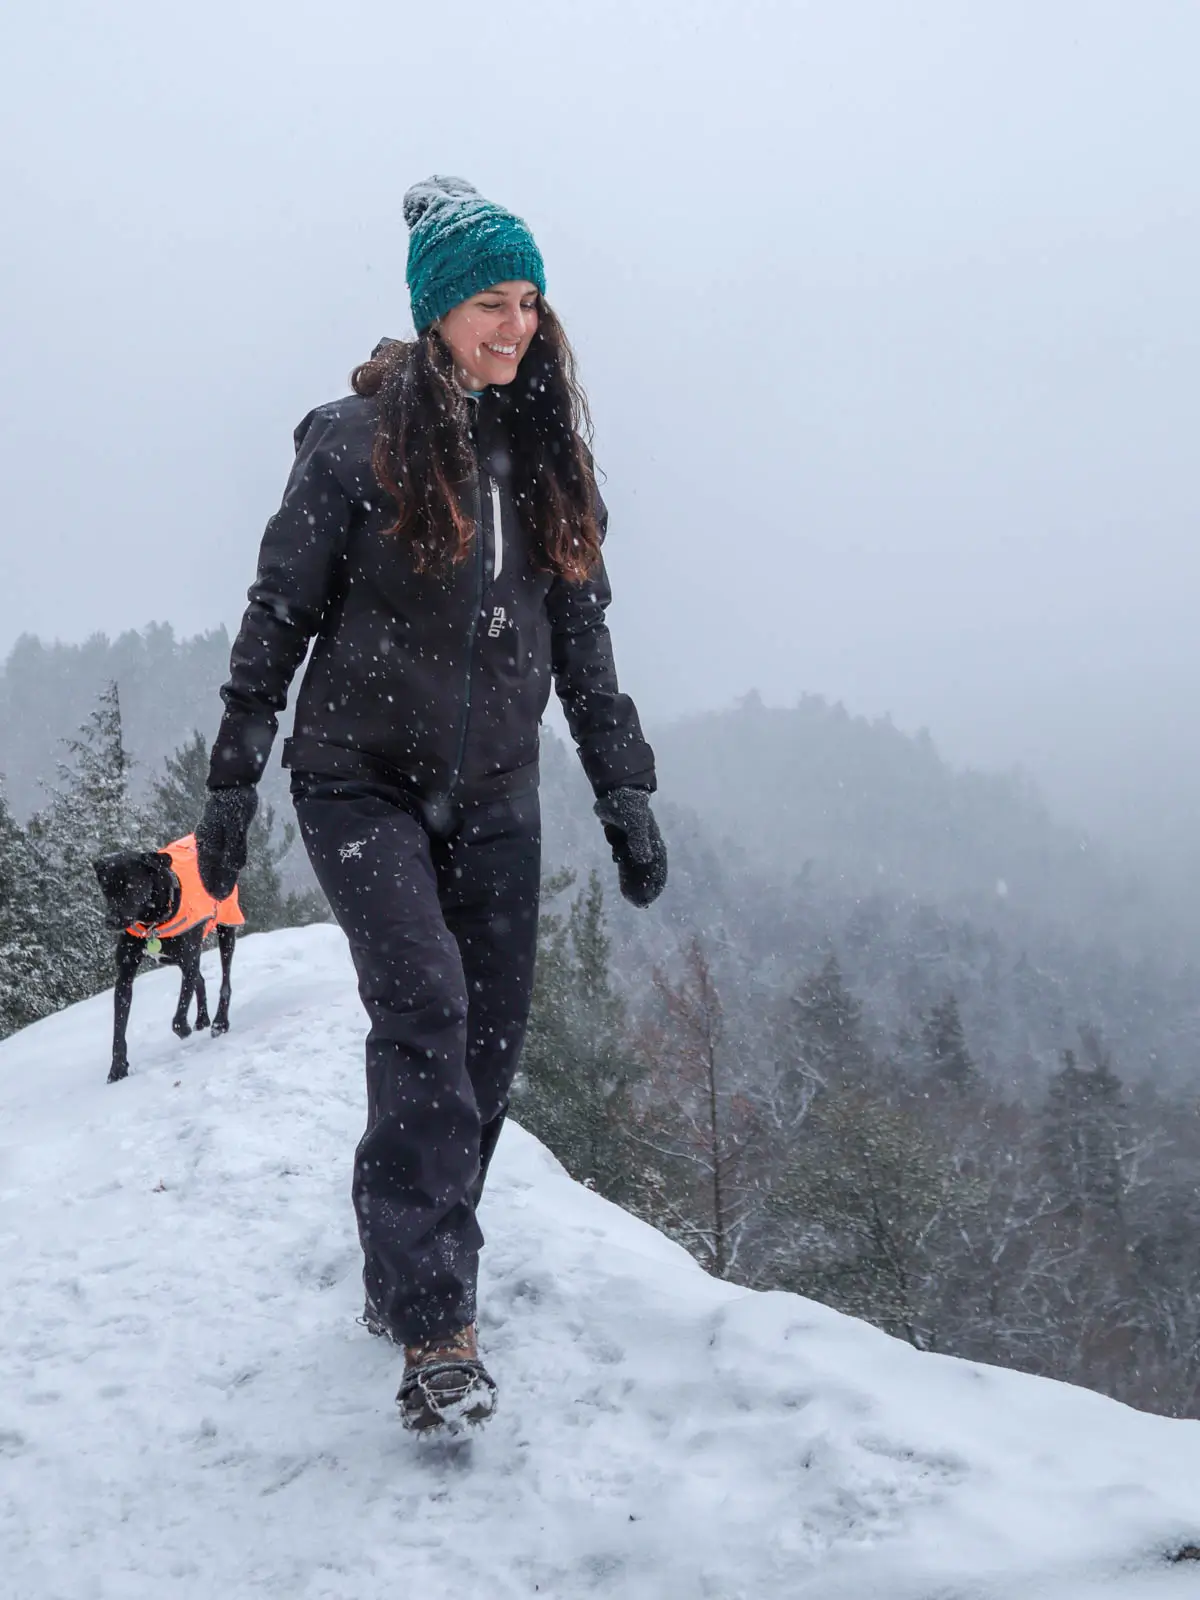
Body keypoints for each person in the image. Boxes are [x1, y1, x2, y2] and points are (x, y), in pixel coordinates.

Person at [193, 175, 667, 1432]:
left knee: (487, 1045)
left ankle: (410, 1253)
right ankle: (434, 1324)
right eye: (485, 304)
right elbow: (276, 618)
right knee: (425, 1006)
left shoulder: (547, 454)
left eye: (527, 301)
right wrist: (232, 780)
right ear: (433, 311)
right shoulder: (350, 446)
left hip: (498, 795)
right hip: (359, 783)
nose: (513, 326)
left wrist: (623, 785)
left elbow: (584, 635)